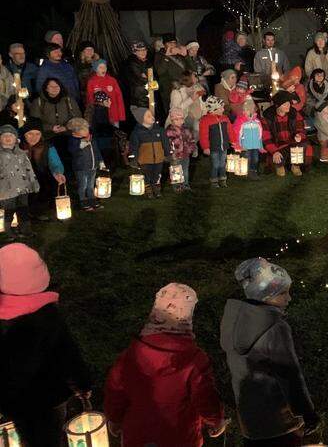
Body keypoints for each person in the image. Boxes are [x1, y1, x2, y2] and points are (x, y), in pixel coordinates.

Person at [104, 283, 226, 446]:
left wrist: (114, 419)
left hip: (137, 437)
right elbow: (204, 396)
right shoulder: (194, 358)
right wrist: (216, 420)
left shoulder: (129, 355)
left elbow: (115, 392)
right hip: (180, 438)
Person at [0, 243, 93, 445]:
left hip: (14, 400)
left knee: (28, 431)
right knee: (48, 436)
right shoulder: (49, 317)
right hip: (50, 398)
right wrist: (82, 383)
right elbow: (69, 353)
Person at [221, 258, 320, 446]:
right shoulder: (275, 328)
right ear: (265, 295)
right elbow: (289, 374)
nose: (289, 298)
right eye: (283, 293)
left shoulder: (233, 321)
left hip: (249, 421)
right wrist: (307, 413)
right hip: (279, 423)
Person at [18, 120, 65, 226]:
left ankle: (38, 211)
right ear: (24, 134)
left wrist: (57, 172)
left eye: (37, 134)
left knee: (47, 185)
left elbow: (55, 161)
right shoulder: (18, 146)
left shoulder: (47, 146)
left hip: (40, 173)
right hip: (21, 176)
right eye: (30, 134)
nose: (34, 137)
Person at [0, 124, 39, 236]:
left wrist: (33, 183)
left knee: (23, 209)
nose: (8, 138)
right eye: (4, 136)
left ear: (16, 139)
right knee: (8, 210)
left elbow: (29, 169)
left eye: (11, 135)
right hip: (6, 189)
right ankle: (7, 232)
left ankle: (25, 230)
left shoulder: (21, 153)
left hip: (23, 187)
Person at [264, 93, 312, 177]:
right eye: (285, 104)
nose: (288, 106)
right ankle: (280, 165)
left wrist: (299, 135)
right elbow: (266, 138)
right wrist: (274, 151)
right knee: (278, 162)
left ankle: (296, 165)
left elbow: (301, 128)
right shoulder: (268, 117)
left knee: (304, 145)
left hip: (292, 141)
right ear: (277, 106)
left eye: (289, 103)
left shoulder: (294, 113)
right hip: (277, 144)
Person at [30, 78, 81, 155]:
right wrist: (50, 128)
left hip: (68, 134)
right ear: (46, 88)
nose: (54, 89)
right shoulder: (38, 102)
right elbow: (34, 123)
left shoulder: (69, 100)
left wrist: (66, 127)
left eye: (57, 86)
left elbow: (78, 118)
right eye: (51, 86)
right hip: (47, 136)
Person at [129, 106, 171, 198]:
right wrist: (133, 159)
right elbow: (134, 147)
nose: (152, 117)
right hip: (144, 159)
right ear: (141, 119)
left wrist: (168, 154)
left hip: (158, 158)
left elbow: (165, 143)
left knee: (157, 174)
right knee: (146, 175)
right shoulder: (137, 133)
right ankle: (148, 190)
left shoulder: (160, 130)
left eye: (151, 115)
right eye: (148, 116)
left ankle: (156, 189)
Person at [66, 117, 102, 212]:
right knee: (83, 185)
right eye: (84, 129)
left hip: (92, 166)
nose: (87, 131)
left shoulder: (92, 138)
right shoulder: (74, 141)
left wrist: (100, 161)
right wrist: (82, 143)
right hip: (81, 168)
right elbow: (72, 151)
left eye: (87, 128)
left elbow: (96, 151)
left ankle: (92, 200)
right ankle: (83, 201)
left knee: (91, 185)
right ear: (76, 131)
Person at [199, 96, 233, 187]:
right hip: (213, 147)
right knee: (215, 164)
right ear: (214, 109)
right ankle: (214, 180)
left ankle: (223, 179)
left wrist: (233, 141)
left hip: (224, 146)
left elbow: (230, 131)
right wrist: (205, 147)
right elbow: (203, 135)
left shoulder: (225, 118)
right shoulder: (205, 120)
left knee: (223, 163)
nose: (223, 109)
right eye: (221, 107)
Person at [85, 59, 125, 129]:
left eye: (105, 67)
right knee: (103, 134)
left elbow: (119, 97)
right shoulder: (91, 81)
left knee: (115, 134)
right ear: (95, 69)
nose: (103, 69)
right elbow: (90, 99)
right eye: (100, 67)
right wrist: (100, 102)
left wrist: (121, 115)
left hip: (113, 113)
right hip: (100, 115)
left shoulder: (112, 80)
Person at [165, 107, 197, 192]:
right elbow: (168, 143)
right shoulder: (170, 131)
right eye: (176, 119)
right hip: (175, 155)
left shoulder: (186, 130)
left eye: (181, 119)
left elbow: (191, 140)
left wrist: (191, 149)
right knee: (176, 170)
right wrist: (171, 151)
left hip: (185, 154)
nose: (179, 121)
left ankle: (185, 184)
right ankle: (177, 186)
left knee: (185, 169)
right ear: (172, 120)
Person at [232, 100, 265, 179]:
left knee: (256, 159)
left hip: (255, 145)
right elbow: (236, 133)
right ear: (243, 111)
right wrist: (238, 145)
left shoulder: (257, 121)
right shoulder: (240, 121)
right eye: (247, 109)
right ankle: (248, 172)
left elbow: (260, 134)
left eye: (251, 109)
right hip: (245, 145)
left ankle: (253, 171)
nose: (249, 111)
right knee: (247, 158)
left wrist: (260, 145)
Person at [124, 41, 154, 115]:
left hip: (148, 95)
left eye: (144, 50)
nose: (142, 52)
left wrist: (150, 80)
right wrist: (148, 80)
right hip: (139, 97)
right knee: (143, 117)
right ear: (134, 52)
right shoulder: (131, 63)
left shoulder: (147, 61)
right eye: (139, 50)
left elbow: (153, 77)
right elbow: (139, 79)